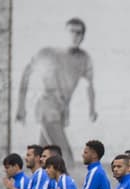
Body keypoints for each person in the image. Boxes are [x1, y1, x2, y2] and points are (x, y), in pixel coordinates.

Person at [15, 18, 97, 166]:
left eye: (79, 33)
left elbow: (89, 85)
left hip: (61, 111)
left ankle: (36, 187)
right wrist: (21, 107)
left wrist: (92, 108)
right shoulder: (47, 53)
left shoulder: (84, 58)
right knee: (66, 157)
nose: (75, 36)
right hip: (47, 108)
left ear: (83, 36)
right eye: (71, 32)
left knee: (41, 160)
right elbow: (26, 74)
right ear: (64, 33)